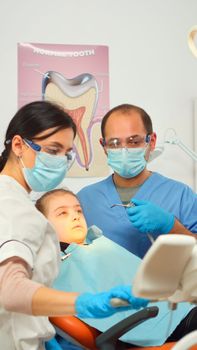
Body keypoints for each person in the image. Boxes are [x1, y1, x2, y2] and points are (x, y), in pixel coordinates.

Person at [0, 101, 147, 350]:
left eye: (66, 153)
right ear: (18, 145)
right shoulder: (11, 204)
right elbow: (11, 290)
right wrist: (85, 302)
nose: (61, 161)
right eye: (53, 150)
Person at [36, 188, 196, 348]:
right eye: (62, 213)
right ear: (43, 227)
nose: (75, 216)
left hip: (180, 309)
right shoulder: (52, 268)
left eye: (78, 210)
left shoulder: (100, 243)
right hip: (156, 327)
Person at [77, 103, 197, 259]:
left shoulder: (181, 195)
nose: (124, 150)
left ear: (152, 141)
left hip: (165, 284)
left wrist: (171, 225)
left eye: (134, 141)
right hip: (102, 284)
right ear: (103, 146)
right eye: (114, 143)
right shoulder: (85, 199)